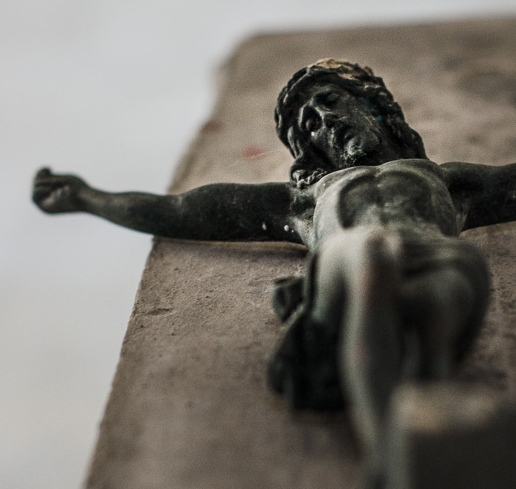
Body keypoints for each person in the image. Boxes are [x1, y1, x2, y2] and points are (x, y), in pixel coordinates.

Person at [34, 59, 513, 457]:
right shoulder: (303, 202)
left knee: (435, 309)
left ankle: (425, 426)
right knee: (371, 250)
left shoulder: (449, 181)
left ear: (374, 105)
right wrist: (88, 197)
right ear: (313, 150)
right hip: (351, 271)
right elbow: (180, 210)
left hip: (436, 261)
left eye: (331, 102)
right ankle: (389, 460)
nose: (326, 121)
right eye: (311, 124)